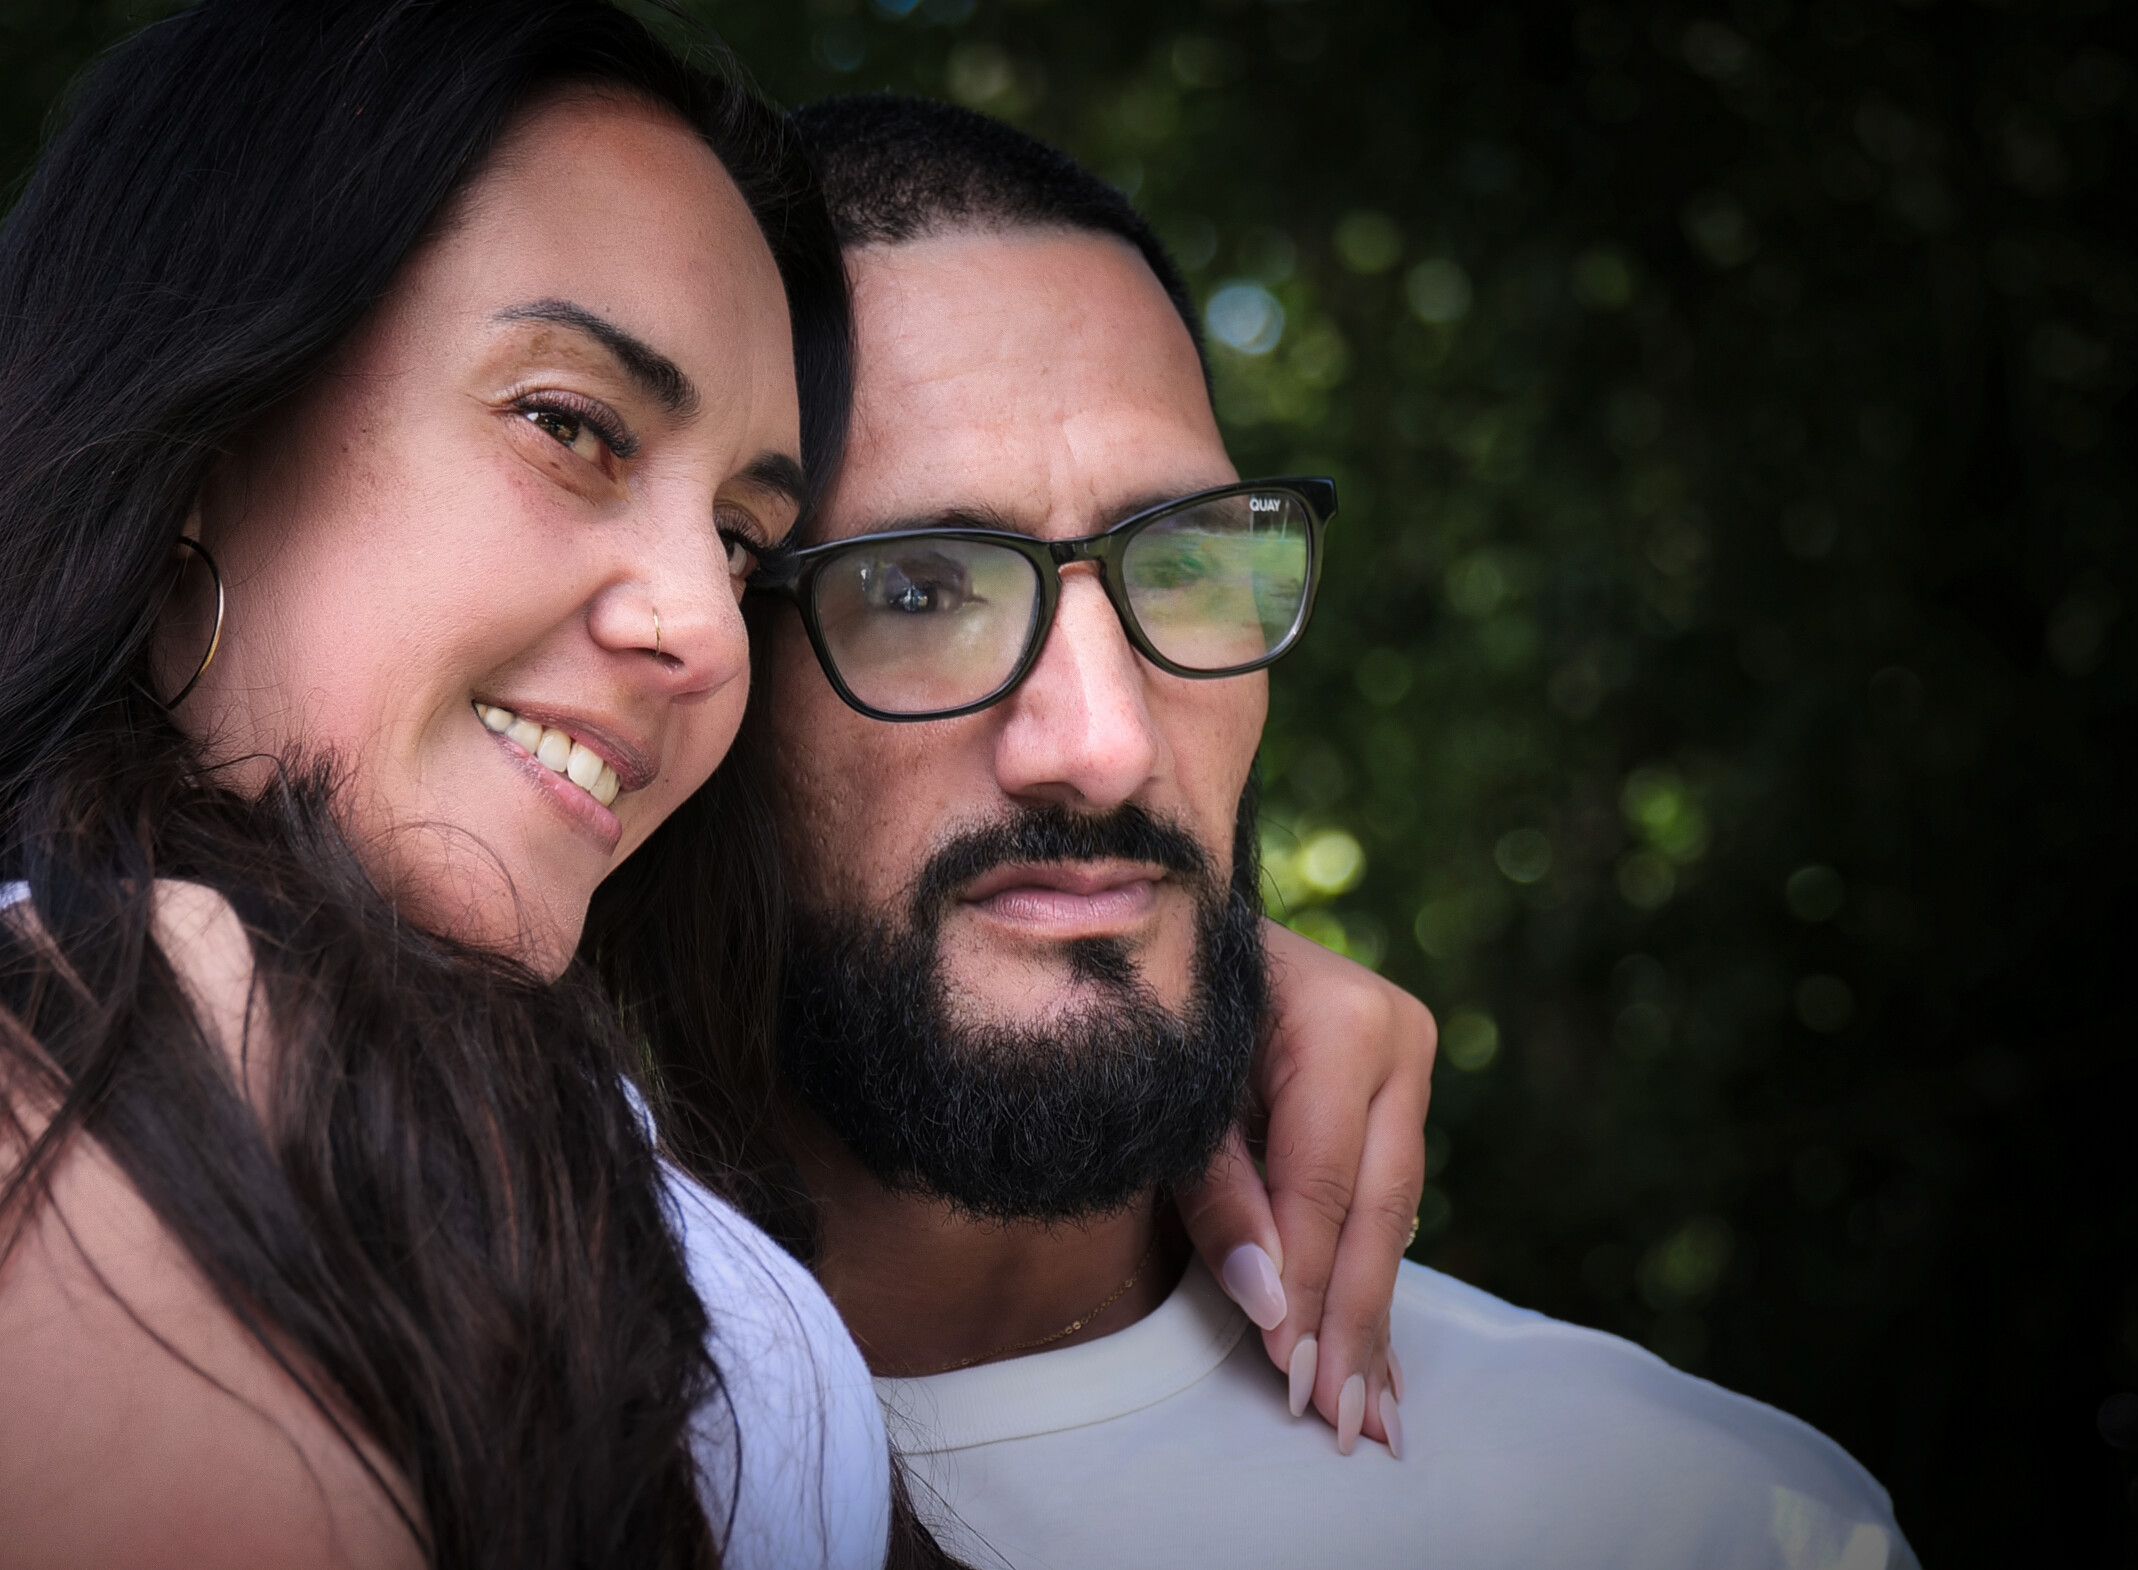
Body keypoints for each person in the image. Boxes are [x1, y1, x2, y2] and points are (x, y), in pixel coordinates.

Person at [0, 7, 1428, 1565]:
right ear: (206, 433)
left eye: (743, 541)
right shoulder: (128, 1034)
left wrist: (1126, 967)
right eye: (571, 427)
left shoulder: (413, 1085)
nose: (700, 624)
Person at [732, 95, 1923, 1569]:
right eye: (921, 590)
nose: (1106, 743)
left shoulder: (1702, 1519)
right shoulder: (478, 1444)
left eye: (1184, 562)